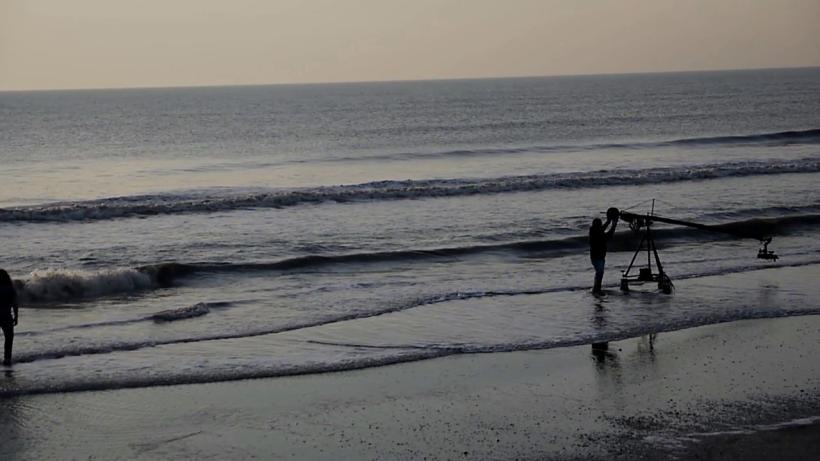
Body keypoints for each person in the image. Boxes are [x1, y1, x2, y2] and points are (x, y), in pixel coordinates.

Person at [589, 215, 617, 294]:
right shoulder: (596, 233)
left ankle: (597, 288)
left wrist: (610, 222)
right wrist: (612, 224)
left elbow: (605, 232)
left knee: (599, 272)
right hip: (597, 257)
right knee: (599, 272)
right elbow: (608, 234)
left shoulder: (595, 231)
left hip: (598, 256)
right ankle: (597, 288)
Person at [0, 269, 19, 366]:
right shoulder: (10, 289)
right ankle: (7, 358)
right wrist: (16, 316)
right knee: (9, 337)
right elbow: (14, 304)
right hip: (6, 315)